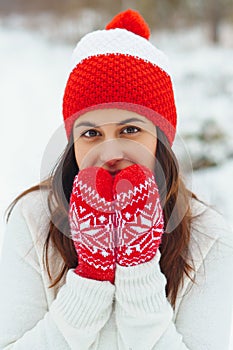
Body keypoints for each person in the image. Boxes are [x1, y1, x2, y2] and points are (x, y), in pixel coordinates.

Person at [1, 8, 233, 350]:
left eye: (130, 129)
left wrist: (138, 269)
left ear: (161, 139)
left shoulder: (209, 238)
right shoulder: (32, 221)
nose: (110, 152)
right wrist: (91, 280)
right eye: (92, 133)